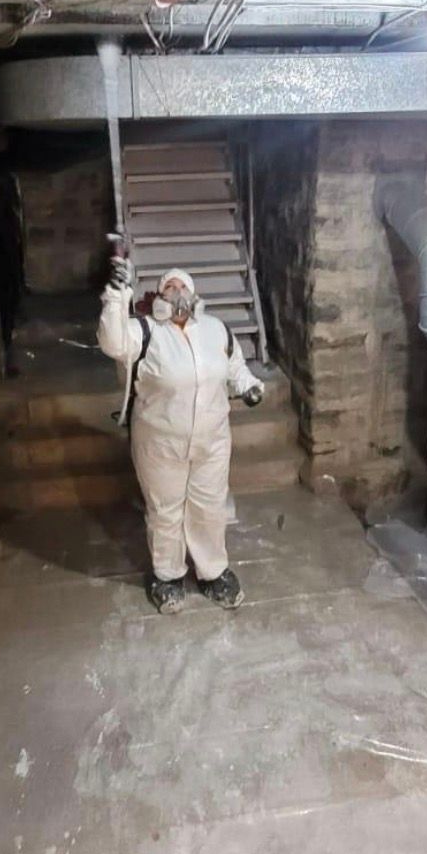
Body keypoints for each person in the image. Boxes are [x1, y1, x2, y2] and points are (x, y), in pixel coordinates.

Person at [98, 260, 264, 614]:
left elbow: (235, 366)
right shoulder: (144, 332)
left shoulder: (215, 330)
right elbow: (112, 342)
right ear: (159, 295)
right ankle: (167, 575)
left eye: (182, 287)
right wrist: (116, 295)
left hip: (212, 440)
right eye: (169, 287)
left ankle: (213, 573)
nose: (177, 293)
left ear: (194, 294)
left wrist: (249, 386)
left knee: (209, 506)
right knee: (165, 510)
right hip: (160, 442)